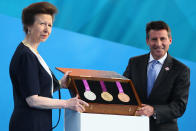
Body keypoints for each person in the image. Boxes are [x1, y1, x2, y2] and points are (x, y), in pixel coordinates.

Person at [9, 2, 88, 131]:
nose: (47, 29)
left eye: (50, 25)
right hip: (29, 125)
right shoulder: (26, 56)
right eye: (42, 24)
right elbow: (32, 100)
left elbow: (36, 88)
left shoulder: (32, 53)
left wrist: (59, 84)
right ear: (29, 25)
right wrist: (67, 103)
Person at [123, 21, 190, 131]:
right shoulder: (134, 63)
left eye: (162, 39)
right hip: (134, 126)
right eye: (154, 39)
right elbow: (124, 91)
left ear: (170, 40)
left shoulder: (181, 70)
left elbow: (179, 106)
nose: (158, 44)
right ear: (147, 41)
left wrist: (154, 110)